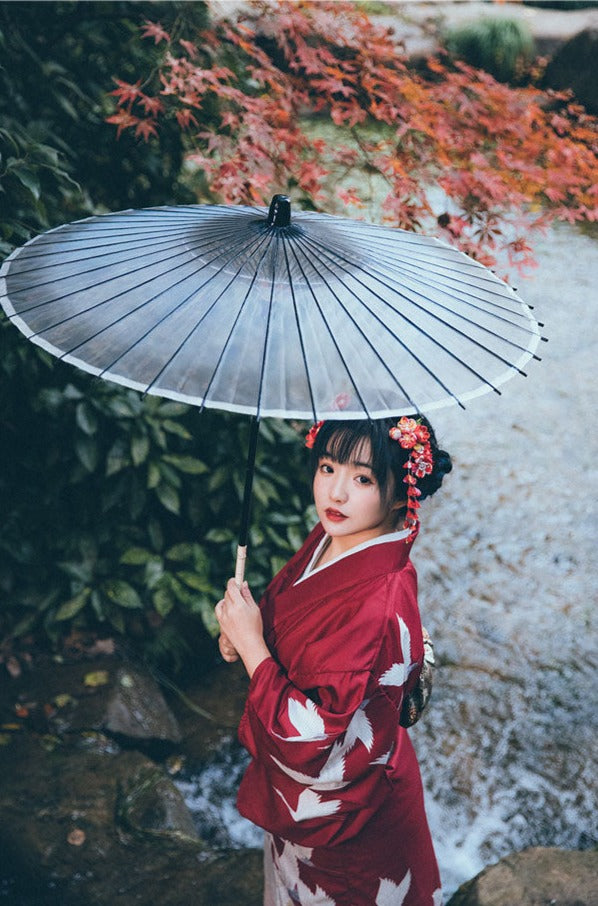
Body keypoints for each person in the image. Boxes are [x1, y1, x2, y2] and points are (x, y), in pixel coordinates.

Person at [215, 415, 452, 906]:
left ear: (399, 493)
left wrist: (257, 652)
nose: (336, 493)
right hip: (318, 805)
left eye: (362, 478)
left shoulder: (376, 602)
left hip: (350, 813)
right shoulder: (335, 538)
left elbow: (318, 744)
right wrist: (246, 636)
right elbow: (293, 630)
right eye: (327, 467)